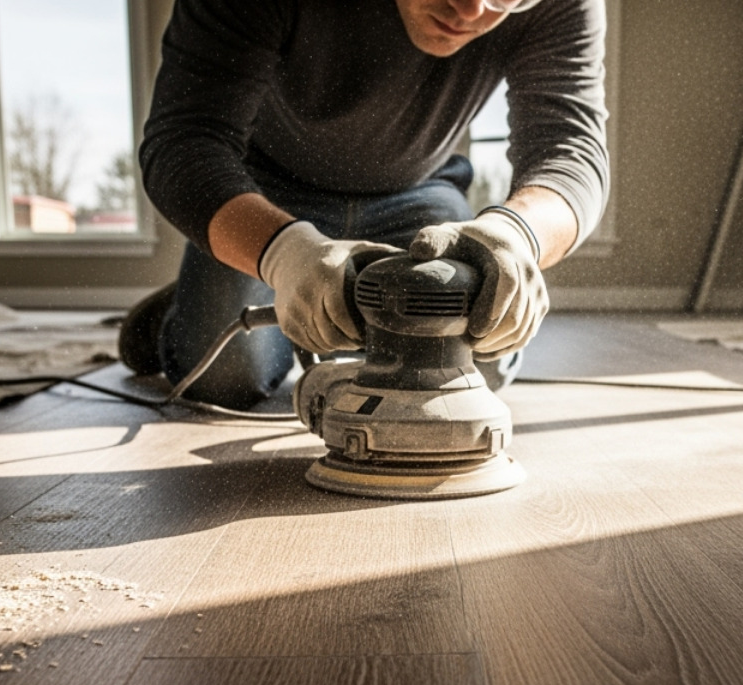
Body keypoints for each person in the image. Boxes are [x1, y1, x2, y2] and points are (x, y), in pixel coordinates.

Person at [122, 0, 609, 410]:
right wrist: (283, 253)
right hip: (264, 192)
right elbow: (183, 142)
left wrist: (518, 236)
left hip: (419, 190)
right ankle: (196, 306)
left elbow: (570, 151)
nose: (472, 10)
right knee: (223, 381)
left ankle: (270, 291)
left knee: (474, 367)